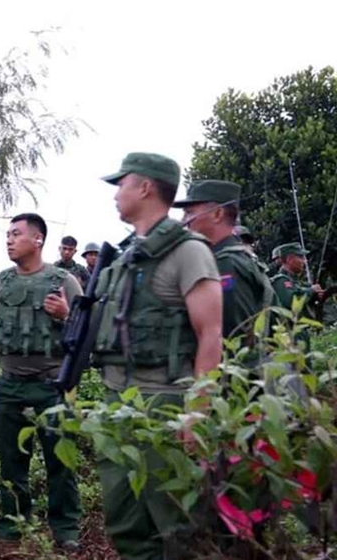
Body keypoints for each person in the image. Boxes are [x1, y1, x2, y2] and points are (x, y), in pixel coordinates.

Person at [93, 153, 223, 560]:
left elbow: (211, 333)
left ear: (145, 187)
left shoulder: (189, 252)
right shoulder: (128, 255)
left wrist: (197, 412)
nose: (116, 194)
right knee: (124, 518)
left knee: (176, 521)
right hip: (119, 401)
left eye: (122, 184)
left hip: (166, 401)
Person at [0, 213, 82, 550]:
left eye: (16, 234)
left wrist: (67, 315)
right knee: (10, 458)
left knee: (60, 460)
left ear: (38, 240)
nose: (9, 239)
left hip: (53, 385)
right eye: (7, 234)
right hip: (9, 385)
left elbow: (86, 333)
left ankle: (65, 529)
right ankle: (13, 524)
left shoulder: (65, 281)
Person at [174, 180, 276, 340]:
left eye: (189, 212)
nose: (183, 221)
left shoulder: (225, 264)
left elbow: (234, 338)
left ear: (217, 214)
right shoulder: (235, 257)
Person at [271, 243, 325, 350]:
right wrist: (311, 291)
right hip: (290, 334)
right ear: (290, 259)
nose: (304, 261)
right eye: (300, 257)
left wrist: (315, 296)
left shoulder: (295, 282)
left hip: (300, 332)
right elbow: (292, 302)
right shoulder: (281, 281)